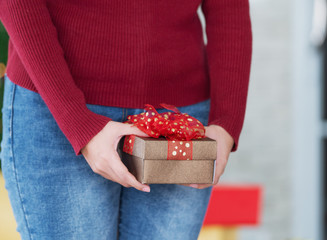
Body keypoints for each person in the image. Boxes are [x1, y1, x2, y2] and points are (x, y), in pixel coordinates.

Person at [0, 0, 252, 239]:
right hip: (55, 101)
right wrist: (78, 122)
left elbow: (228, 7)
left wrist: (226, 121)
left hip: (178, 115)